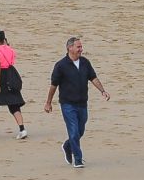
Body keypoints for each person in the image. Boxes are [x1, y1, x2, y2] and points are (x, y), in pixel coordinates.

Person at [45, 36, 110, 169]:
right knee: (73, 131)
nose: (81, 49)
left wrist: (103, 91)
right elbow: (53, 85)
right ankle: (78, 159)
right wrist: (48, 102)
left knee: (80, 131)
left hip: (82, 103)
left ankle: (67, 146)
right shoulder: (61, 65)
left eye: (81, 46)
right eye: (78, 47)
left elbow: (93, 78)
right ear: (70, 48)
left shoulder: (85, 62)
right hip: (67, 104)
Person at [0, 30, 28, 140]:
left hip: (0, 77)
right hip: (11, 76)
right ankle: (22, 129)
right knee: (14, 104)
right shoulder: (10, 50)